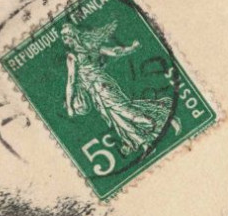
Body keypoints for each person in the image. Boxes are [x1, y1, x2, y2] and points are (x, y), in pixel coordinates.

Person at [61, 21, 179, 156]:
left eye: (65, 37)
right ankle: (143, 143)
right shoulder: (90, 46)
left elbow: (71, 81)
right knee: (115, 117)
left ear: (72, 36)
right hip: (98, 89)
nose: (64, 41)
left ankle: (156, 121)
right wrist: (131, 48)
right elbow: (114, 52)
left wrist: (70, 106)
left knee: (122, 110)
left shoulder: (72, 56)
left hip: (101, 87)